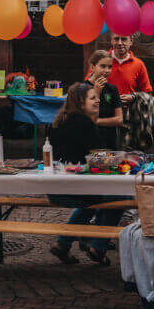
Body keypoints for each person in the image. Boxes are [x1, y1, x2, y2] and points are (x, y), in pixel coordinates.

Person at [46, 69, 123, 266]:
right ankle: (98, 247)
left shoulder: (58, 122)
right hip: (74, 188)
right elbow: (101, 161)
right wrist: (126, 161)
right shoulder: (84, 124)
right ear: (81, 102)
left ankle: (63, 244)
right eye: (92, 98)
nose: (98, 101)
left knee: (94, 199)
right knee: (119, 198)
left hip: (58, 187)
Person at [104, 33, 154, 150]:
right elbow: (89, 86)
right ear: (111, 40)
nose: (120, 43)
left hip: (129, 118)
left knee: (127, 154)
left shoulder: (139, 64)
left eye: (124, 39)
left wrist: (134, 97)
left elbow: (147, 93)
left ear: (131, 41)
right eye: (116, 39)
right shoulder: (102, 62)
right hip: (106, 116)